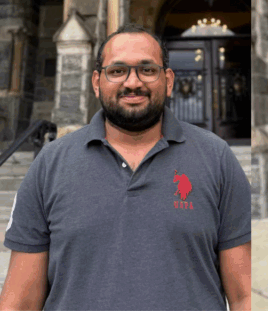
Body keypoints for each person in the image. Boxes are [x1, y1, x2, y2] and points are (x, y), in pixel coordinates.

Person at [0, 24, 252, 310]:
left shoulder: (217, 158)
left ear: (169, 80)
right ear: (97, 82)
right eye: (118, 71)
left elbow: (243, 296)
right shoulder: (50, 164)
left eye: (147, 70)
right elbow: (20, 302)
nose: (133, 82)